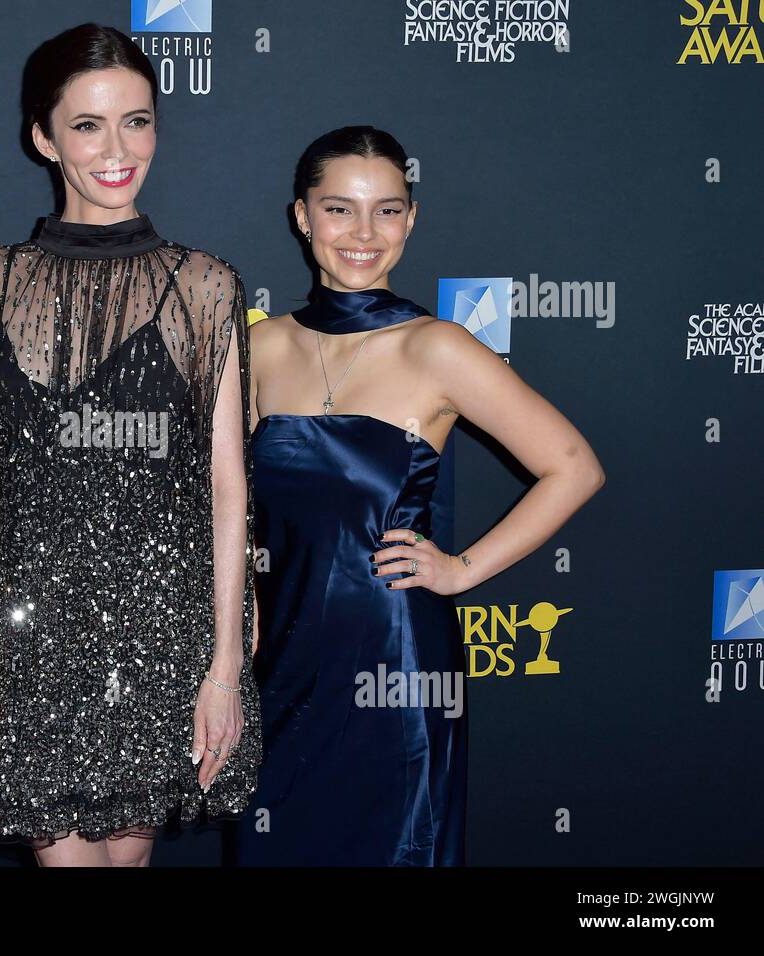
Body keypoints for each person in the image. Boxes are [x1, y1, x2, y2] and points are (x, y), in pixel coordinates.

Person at [235, 126, 605, 866]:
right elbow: (233, 506)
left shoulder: (436, 347)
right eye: (339, 209)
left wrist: (461, 570)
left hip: (395, 658)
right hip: (279, 661)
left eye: (388, 210)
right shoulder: (259, 348)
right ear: (302, 216)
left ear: (411, 218)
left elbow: (574, 466)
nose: (364, 234)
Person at [0, 23, 261, 867]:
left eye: (137, 120)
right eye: (87, 124)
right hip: (29, 639)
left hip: (163, 630)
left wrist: (224, 662)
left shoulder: (207, 287)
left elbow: (229, 487)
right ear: (43, 137)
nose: (117, 148)